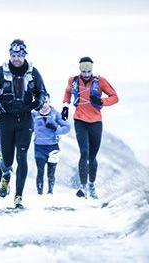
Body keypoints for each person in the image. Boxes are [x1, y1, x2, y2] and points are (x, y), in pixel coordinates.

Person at [0, 39, 47, 208]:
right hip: (6, 119)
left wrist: (38, 103)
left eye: (19, 55)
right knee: (7, 158)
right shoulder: (0, 72)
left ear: (24, 55)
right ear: (10, 56)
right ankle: (5, 175)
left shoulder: (33, 73)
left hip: (25, 119)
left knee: (22, 157)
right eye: (13, 55)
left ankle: (18, 196)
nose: (16, 59)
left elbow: (43, 92)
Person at [61, 57, 119, 199]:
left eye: (88, 71)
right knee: (84, 153)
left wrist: (101, 101)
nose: (86, 74)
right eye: (83, 71)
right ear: (79, 70)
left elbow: (115, 97)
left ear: (92, 70)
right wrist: (65, 106)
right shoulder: (73, 80)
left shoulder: (100, 81)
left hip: (96, 122)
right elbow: (68, 92)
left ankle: (91, 185)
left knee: (92, 157)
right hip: (80, 120)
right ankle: (83, 187)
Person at [32, 94, 70, 195]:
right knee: (40, 171)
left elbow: (67, 127)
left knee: (51, 173)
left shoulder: (55, 114)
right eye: (42, 101)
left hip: (53, 147)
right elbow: (28, 127)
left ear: (49, 102)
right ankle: (39, 194)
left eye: (46, 101)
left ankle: (50, 192)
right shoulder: (34, 113)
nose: (44, 104)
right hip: (39, 147)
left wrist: (56, 128)